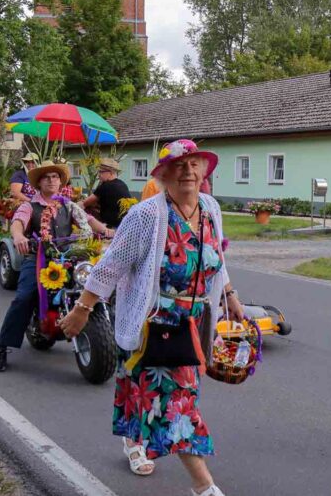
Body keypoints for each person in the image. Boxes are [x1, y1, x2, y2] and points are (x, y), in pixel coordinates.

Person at [60, 139, 244, 496]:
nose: (187, 171)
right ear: (162, 174)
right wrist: (82, 309)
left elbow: (215, 258)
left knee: (140, 386)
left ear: (204, 171)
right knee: (177, 403)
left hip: (193, 324)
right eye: (178, 165)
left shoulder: (210, 208)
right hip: (152, 322)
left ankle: (133, 441)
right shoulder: (146, 215)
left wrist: (230, 294)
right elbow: (111, 265)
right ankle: (204, 486)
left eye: (193, 164)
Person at [0, 161, 95, 373]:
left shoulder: (68, 205)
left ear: (61, 181)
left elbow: (89, 220)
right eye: (46, 177)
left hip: (67, 257)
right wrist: (18, 236)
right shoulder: (29, 206)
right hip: (36, 257)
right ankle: (1, 348)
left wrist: (109, 231)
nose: (51, 180)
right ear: (38, 182)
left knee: (93, 288)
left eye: (55, 176)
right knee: (24, 297)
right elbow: (18, 222)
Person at [81, 158, 132, 228]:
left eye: (101, 172)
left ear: (111, 172)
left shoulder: (105, 186)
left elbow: (85, 203)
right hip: (125, 225)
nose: (99, 175)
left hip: (111, 227)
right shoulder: (122, 184)